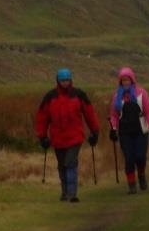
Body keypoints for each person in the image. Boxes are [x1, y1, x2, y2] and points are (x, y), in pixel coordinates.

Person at [35, 68, 100, 203]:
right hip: (57, 138)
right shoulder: (50, 97)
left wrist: (95, 131)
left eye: (67, 80)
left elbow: (89, 113)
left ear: (71, 80)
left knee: (70, 162)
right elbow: (42, 117)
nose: (65, 83)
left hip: (75, 136)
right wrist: (42, 136)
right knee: (62, 165)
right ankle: (64, 191)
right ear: (58, 81)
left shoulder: (79, 95)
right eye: (62, 80)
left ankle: (72, 193)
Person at [108, 67, 149, 194]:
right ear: (120, 81)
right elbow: (114, 115)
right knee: (129, 158)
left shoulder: (141, 93)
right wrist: (113, 129)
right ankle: (131, 185)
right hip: (125, 132)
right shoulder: (117, 97)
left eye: (127, 80)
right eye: (123, 80)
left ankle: (141, 174)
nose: (125, 82)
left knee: (140, 157)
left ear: (132, 80)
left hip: (140, 130)